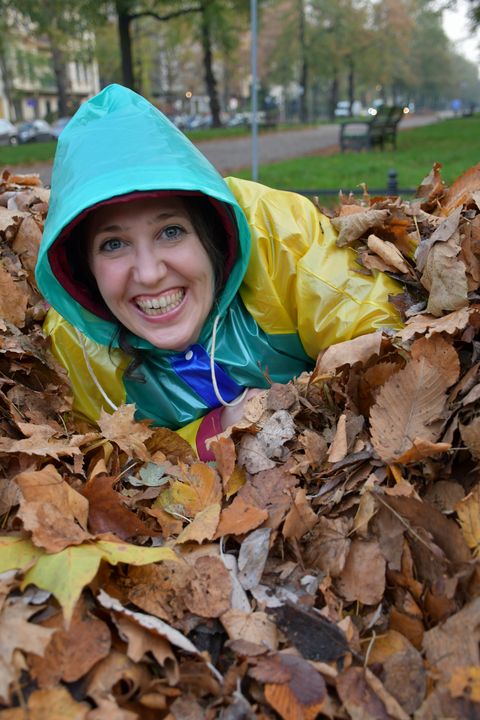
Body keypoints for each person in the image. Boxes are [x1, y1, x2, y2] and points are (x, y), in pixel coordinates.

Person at [35, 84, 401, 460]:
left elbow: (385, 341)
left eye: (171, 232)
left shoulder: (278, 237)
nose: (148, 273)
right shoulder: (74, 348)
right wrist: (212, 432)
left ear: (209, 231)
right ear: (84, 268)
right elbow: (99, 460)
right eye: (113, 244)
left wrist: (291, 404)